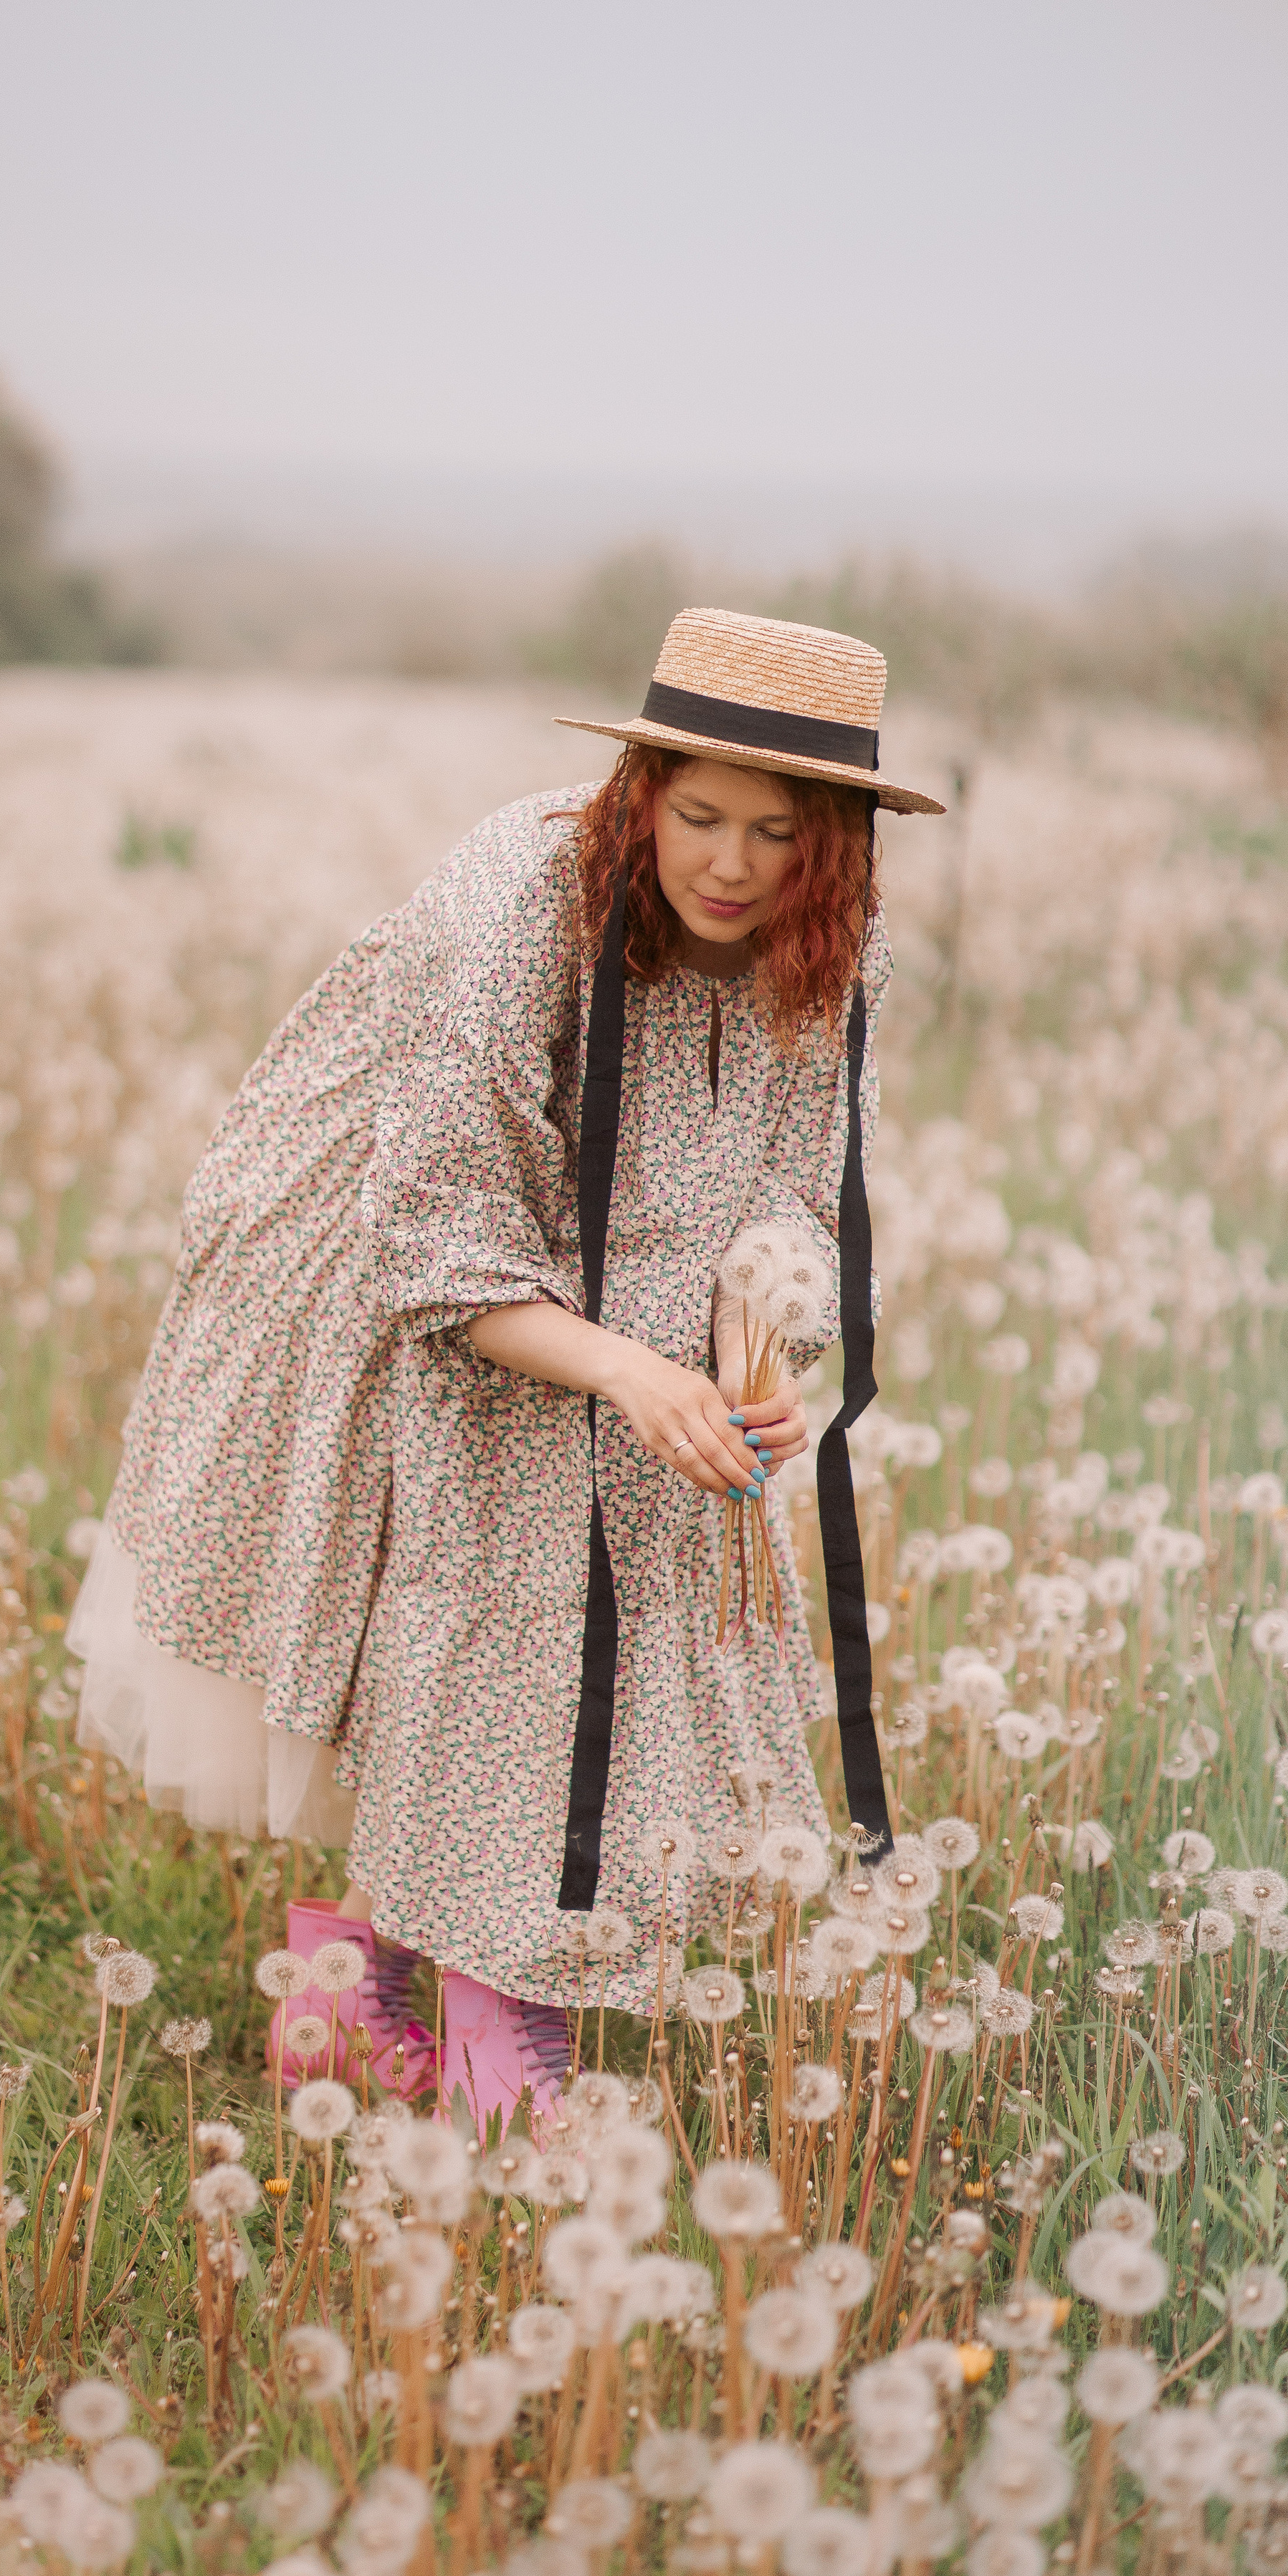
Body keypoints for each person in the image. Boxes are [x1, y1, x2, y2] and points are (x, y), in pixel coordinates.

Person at [70, 607, 944, 2132]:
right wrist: (618, 1368)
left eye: (775, 833)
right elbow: (437, 1226)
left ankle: (345, 2005)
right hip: (375, 1254)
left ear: (838, 844)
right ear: (638, 792)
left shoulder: (824, 955)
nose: (730, 864)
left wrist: (754, 1353)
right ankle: (491, 2023)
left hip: (613, 1289)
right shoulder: (516, 902)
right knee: (470, 1618)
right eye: (696, 817)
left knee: (562, 1620)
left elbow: (802, 1195)